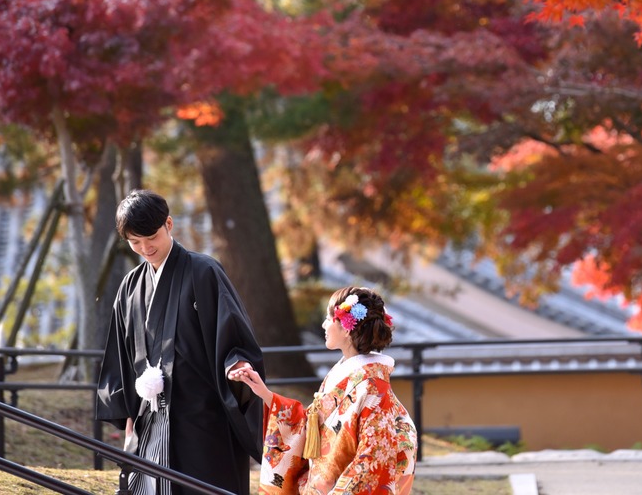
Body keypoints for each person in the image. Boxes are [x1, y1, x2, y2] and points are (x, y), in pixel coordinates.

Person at [95, 189, 266, 495]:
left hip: (202, 416)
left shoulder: (204, 272)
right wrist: (131, 415)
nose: (145, 248)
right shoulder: (130, 287)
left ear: (169, 224)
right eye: (135, 242)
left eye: (151, 238)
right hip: (150, 415)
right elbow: (121, 357)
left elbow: (233, 335)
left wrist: (237, 365)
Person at [230, 286, 417, 495]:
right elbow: (312, 425)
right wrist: (264, 393)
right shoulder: (346, 374)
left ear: (346, 328)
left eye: (329, 318)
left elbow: (374, 458)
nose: (324, 324)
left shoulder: (373, 388)